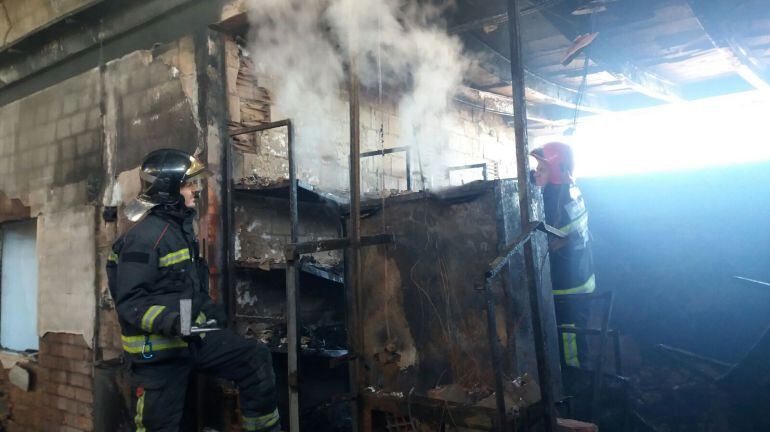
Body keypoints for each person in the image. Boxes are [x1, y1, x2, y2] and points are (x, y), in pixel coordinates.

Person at [106, 149, 279, 432]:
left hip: (190, 342)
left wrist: (209, 315)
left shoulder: (179, 231)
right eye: (189, 184)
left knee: (254, 358)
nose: (195, 191)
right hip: (157, 355)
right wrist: (175, 322)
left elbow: (182, 291)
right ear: (169, 190)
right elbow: (131, 303)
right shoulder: (144, 239)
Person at [531, 142, 596, 369]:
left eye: (542, 168)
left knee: (570, 346)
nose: (536, 172)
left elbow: (548, 240)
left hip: (568, 287)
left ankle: (576, 388)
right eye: (537, 167)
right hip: (579, 279)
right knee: (573, 339)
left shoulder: (555, 200)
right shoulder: (570, 189)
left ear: (557, 171)